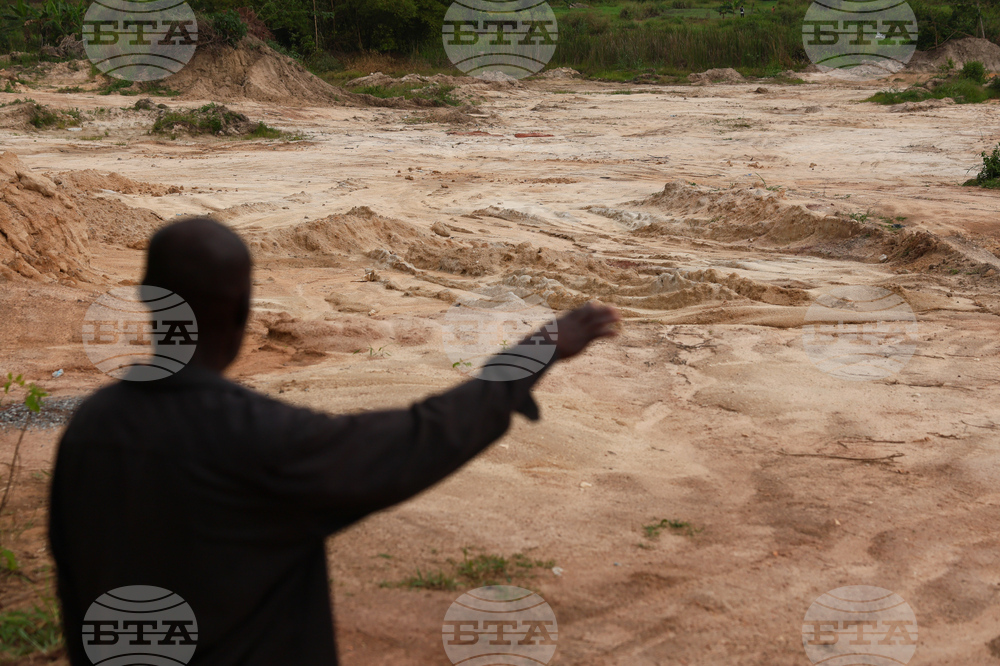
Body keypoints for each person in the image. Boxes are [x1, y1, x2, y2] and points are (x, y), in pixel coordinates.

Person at [49, 217, 621, 665]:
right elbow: (418, 439)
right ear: (243, 309)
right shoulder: (255, 437)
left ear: (148, 299)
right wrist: (535, 352)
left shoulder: (90, 429)